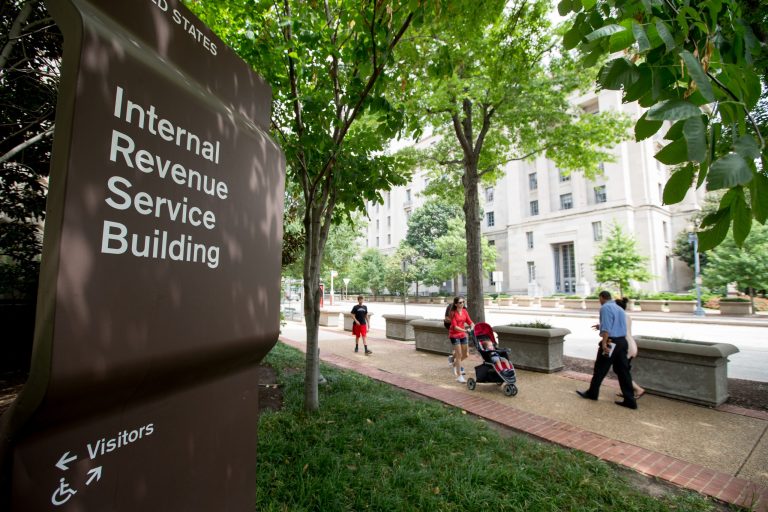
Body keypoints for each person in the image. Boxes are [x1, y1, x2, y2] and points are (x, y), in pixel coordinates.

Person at [576, 290, 637, 409]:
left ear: (602, 297)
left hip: (611, 342)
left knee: (600, 368)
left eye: (599, 299)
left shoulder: (605, 308)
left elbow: (608, 328)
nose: (599, 301)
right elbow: (617, 324)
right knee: (624, 372)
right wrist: (601, 326)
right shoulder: (619, 308)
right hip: (622, 342)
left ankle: (592, 393)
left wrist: (604, 343)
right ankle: (630, 400)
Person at [615, 297, 646, 399]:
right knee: (621, 370)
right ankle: (627, 391)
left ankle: (637, 389)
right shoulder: (627, 316)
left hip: (626, 347)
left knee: (621, 370)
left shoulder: (619, 316)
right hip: (631, 345)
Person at [447, 296, 474, 383]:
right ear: (456, 304)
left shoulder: (465, 311)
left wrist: (472, 327)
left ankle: (454, 364)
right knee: (459, 355)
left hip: (462, 334)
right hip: (454, 335)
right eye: (460, 302)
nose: (462, 304)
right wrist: (466, 330)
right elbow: (455, 327)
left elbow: (470, 322)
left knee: (466, 355)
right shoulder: (453, 313)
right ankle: (459, 376)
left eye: (463, 302)